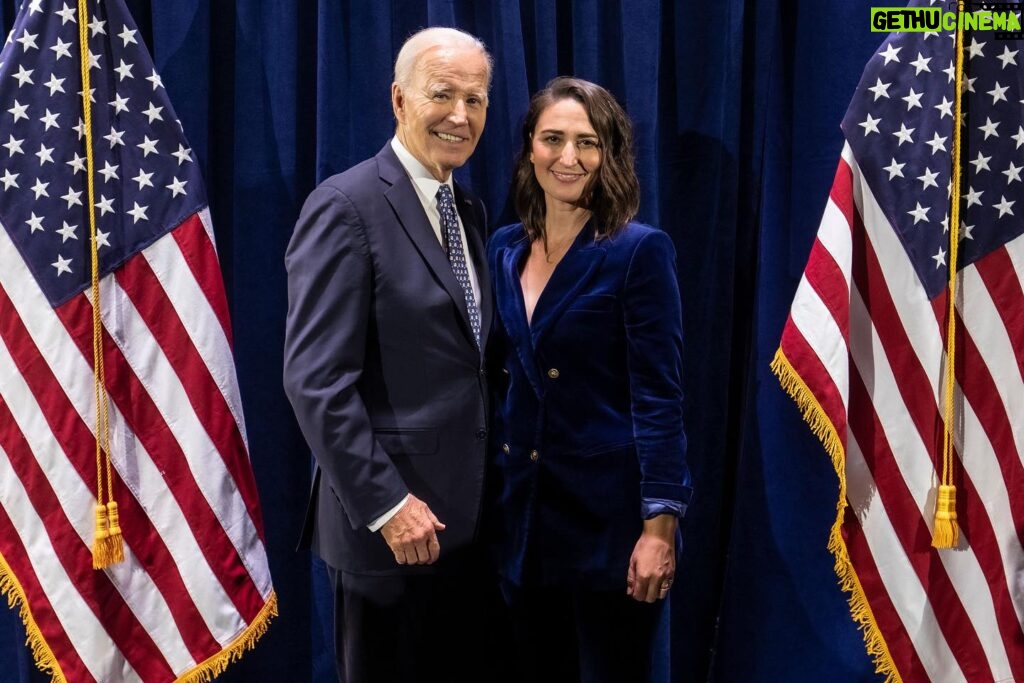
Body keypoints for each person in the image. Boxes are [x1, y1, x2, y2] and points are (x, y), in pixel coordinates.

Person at [283, 27, 499, 683]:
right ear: (399, 100)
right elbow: (315, 380)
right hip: (389, 533)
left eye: (476, 99)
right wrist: (386, 503)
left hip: (465, 526)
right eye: (443, 94)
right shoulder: (346, 206)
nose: (460, 115)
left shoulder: (467, 207)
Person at [486, 77, 693, 683]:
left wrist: (660, 526)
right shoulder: (503, 249)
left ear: (610, 154)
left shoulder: (638, 250)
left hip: (609, 530)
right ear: (530, 147)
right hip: (519, 524)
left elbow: (660, 398)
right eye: (553, 138)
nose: (568, 157)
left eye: (587, 141)